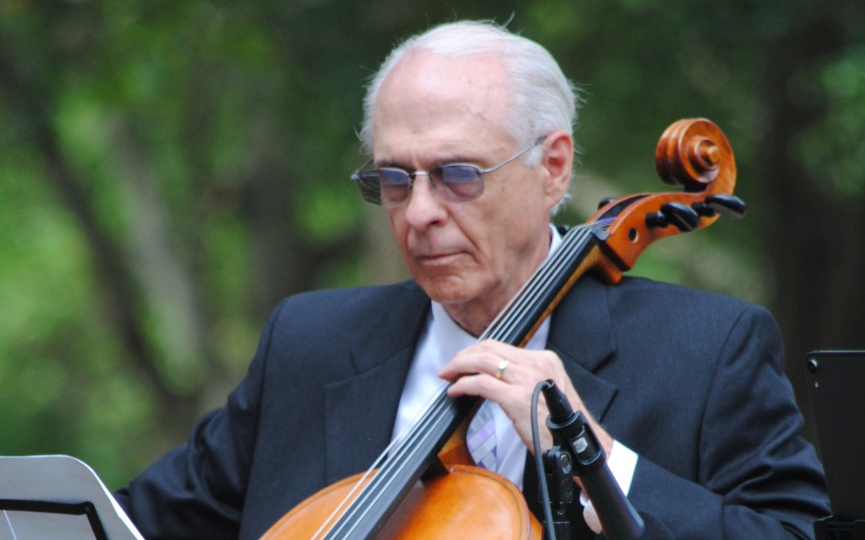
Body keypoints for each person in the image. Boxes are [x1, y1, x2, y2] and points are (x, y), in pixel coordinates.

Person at [114, 20, 829, 539]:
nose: (420, 213)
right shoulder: (308, 345)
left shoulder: (709, 350)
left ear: (553, 167)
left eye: (457, 174)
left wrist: (599, 460)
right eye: (394, 180)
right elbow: (126, 524)